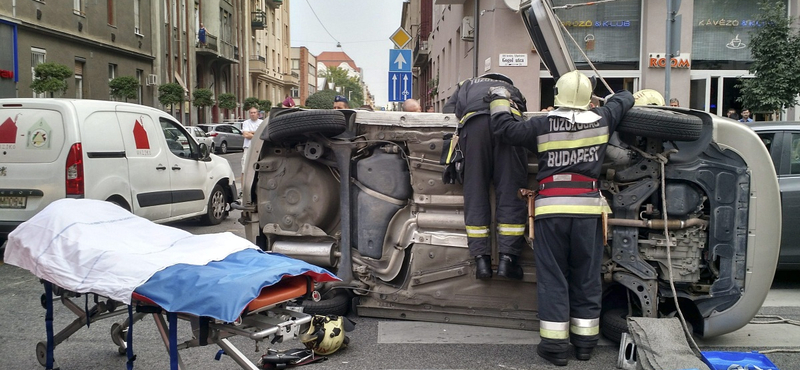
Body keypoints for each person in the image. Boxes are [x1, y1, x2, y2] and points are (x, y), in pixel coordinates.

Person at [488, 70, 634, 366]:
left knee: (554, 277)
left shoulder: (541, 125)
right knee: (587, 276)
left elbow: (504, 129)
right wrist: (603, 99)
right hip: (588, 213)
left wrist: (499, 99)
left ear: (557, 96)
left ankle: (555, 349)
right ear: (588, 99)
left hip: (551, 211)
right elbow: (625, 98)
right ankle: (585, 345)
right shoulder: (604, 119)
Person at [442, 73, 529, 281]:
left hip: (475, 127)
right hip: (508, 126)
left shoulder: (466, 85)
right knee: (511, 191)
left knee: (476, 192)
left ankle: (481, 261)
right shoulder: (511, 88)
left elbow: (448, 112)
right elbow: (523, 111)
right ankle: (508, 260)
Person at [241, 107, 263, 180]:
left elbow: (262, 135)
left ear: (258, 114)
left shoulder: (261, 123)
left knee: (258, 168)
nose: (252, 114)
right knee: (244, 169)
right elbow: (245, 135)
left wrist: (250, 132)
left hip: (259, 147)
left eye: (254, 112)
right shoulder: (246, 122)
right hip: (248, 147)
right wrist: (257, 133)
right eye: (251, 113)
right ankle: (243, 189)